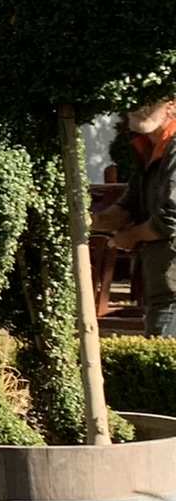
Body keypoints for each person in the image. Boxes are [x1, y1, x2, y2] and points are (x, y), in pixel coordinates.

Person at [93, 96, 176, 335]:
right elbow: (128, 207)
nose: (139, 108)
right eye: (133, 101)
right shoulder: (150, 149)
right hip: (160, 286)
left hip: (171, 292)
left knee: (163, 354)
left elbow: (171, 219)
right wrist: (91, 221)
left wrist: (130, 236)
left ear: (171, 106)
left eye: (150, 101)